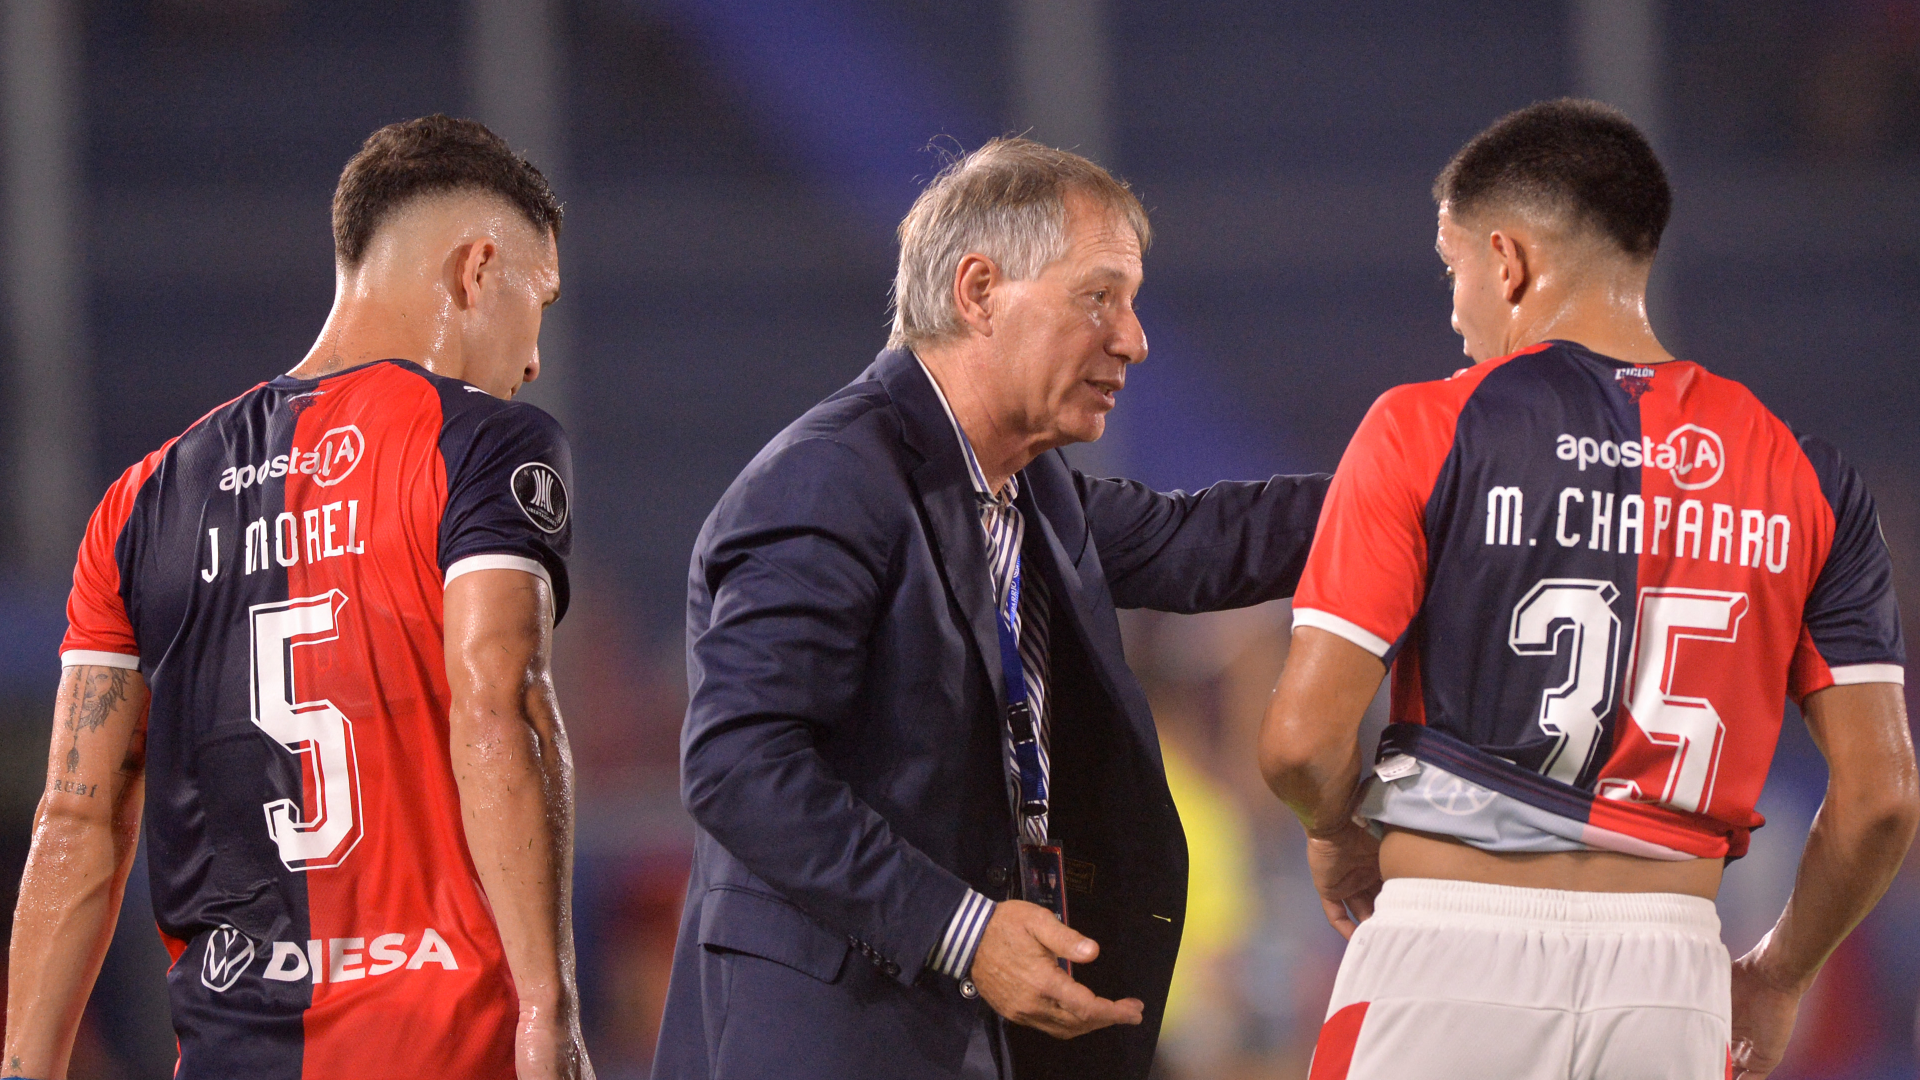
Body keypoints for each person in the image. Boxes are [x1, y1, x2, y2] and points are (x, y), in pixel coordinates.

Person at [1259, 98, 1917, 1080]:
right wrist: (1778, 975)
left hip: (1445, 950)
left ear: (1509, 262)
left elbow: (1300, 744)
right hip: (1671, 977)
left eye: (1456, 271)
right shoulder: (1806, 478)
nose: (1455, 310)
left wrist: (1335, 829)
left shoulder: (1425, 429)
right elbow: (1881, 803)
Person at [652, 138, 1328, 1080]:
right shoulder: (829, 479)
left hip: (959, 1030)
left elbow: (1206, 540)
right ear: (978, 292)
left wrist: (1423, 487)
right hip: (826, 1036)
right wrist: (964, 932)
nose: (1132, 338)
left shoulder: (1030, 490)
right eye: (1099, 297)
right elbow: (737, 763)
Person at [3, 115, 592, 1080]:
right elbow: (502, 703)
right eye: (542, 300)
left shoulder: (143, 499)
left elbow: (76, 821)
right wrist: (547, 1013)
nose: (532, 359)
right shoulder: (487, 448)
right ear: (478, 269)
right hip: (443, 1048)